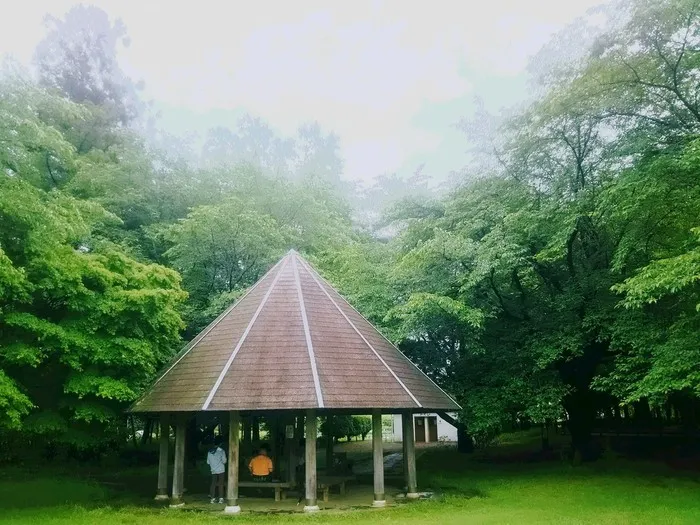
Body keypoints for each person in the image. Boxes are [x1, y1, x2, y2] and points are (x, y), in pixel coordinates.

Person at [206, 438, 227, 504]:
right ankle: (221, 499)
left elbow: (208, 462)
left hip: (213, 469)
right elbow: (224, 461)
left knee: (213, 483)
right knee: (221, 483)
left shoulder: (209, 452)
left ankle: (212, 498)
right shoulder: (221, 451)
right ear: (220, 444)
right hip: (221, 469)